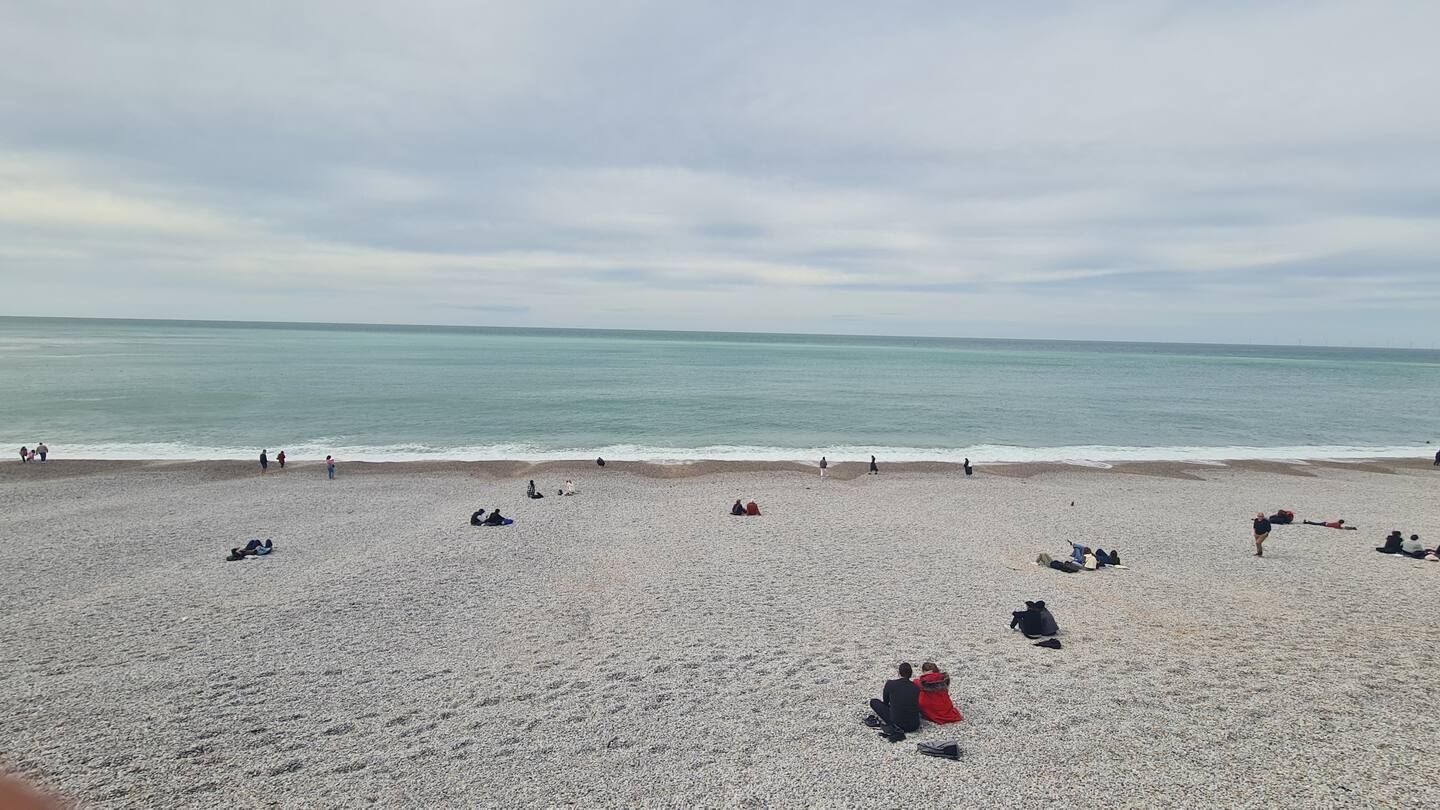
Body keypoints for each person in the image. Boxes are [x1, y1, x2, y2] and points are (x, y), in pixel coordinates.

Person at [866, 663, 921, 735]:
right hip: (914, 725)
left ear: (899, 673)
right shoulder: (915, 687)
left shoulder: (890, 684)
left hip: (897, 723)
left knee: (874, 702)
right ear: (911, 673)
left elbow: (885, 702)